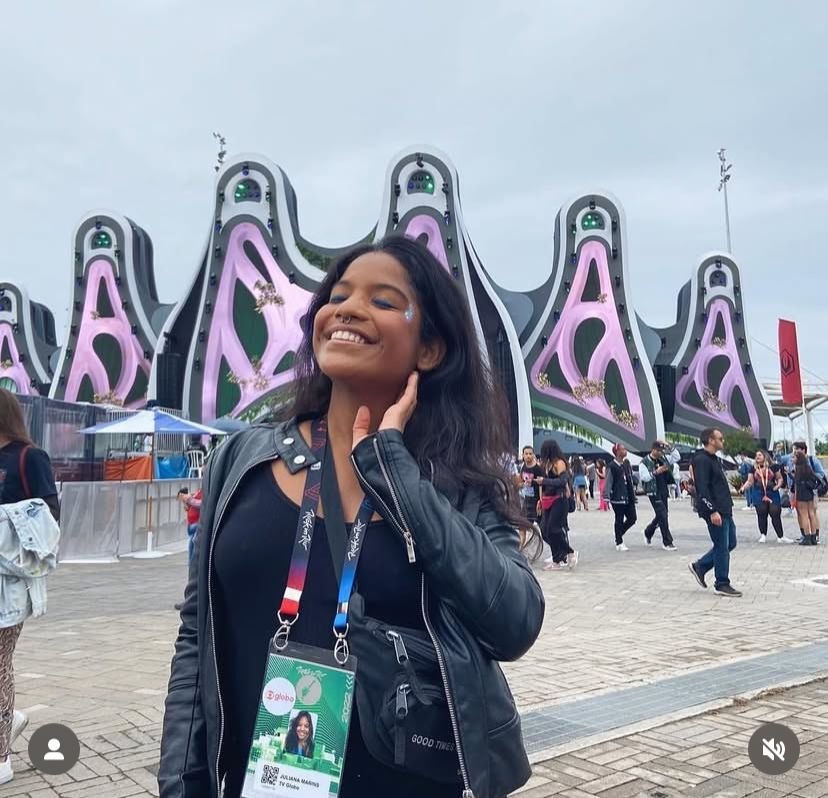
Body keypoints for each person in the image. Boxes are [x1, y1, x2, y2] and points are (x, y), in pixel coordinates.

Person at [158, 236, 544, 798]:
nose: (347, 310)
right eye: (337, 297)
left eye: (383, 301)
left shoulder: (454, 486)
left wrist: (394, 470)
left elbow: (515, 621)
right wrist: (181, 783)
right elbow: (197, 636)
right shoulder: (240, 462)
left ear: (429, 349)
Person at [0, 388, 60, 786]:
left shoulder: (29, 457)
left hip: (9, 582)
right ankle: (12, 718)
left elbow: (50, 516)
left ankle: (2, 758)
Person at [688, 428, 741, 597]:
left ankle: (700, 566)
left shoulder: (714, 459)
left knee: (730, 543)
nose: (722, 441)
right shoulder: (701, 460)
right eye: (720, 438)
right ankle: (722, 582)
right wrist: (712, 510)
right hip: (715, 509)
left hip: (725, 508)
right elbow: (702, 488)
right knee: (721, 546)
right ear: (711, 440)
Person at [536, 440, 577, 570]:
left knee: (554, 529)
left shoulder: (559, 463)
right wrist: (541, 499)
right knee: (546, 530)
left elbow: (562, 481)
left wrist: (545, 480)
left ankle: (570, 552)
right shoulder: (547, 464)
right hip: (549, 499)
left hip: (560, 499)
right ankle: (556, 560)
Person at [740, 450, 793, 544]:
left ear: (765, 456)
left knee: (775, 512)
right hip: (759, 492)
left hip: (772, 492)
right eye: (756, 455)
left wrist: (778, 486)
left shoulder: (773, 466)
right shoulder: (753, 468)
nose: (757, 457)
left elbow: (779, 478)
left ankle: (781, 536)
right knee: (761, 513)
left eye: (760, 455)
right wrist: (743, 488)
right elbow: (750, 481)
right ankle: (763, 535)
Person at [639, 440, 680, 550]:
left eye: (662, 451)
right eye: (659, 451)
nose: (661, 453)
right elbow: (644, 477)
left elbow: (677, 457)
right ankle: (667, 542)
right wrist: (656, 472)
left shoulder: (663, 458)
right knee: (662, 514)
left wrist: (669, 446)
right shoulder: (644, 462)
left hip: (663, 489)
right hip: (653, 491)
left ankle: (648, 532)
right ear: (653, 450)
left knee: (662, 515)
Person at [604, 444, 636, 551]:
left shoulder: (626, 464)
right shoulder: (612, 466)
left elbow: (629, 480)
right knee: (619, 519)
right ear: (617, 452)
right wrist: (606, 496)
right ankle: (619, 542)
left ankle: (619, 533)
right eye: (623, 449)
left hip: (628, 496)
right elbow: (608, 482)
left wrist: (633, 495)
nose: (625, 451)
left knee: (632, 518)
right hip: (617, 497)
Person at [518, 445, 544, 548]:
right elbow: (521, 481)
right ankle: (520, 548)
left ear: (533, 455)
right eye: (526, 454)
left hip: (536, 502)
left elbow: (541, 485)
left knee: (544, 529)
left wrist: (541, 501)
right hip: (526, 500)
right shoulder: (523, 467)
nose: (528, 456)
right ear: (523, 455)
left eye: (530, 453)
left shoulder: (538, 469)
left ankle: (557, 552)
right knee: (522, 526)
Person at [793, 450, 820, 546]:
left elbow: (796, 482)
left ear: (798, 459)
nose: (792, 459)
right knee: (812, 514)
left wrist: (790, 474)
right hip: (809, 492)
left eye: (794, 457)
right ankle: (814, 537)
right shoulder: (808, 468)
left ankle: (807, 537)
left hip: (802, 493)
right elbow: (815, 478)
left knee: (803, 515)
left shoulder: (798, 469)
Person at [177, 488, 202, 563]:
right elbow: (190, 506)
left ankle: (191, 562)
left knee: (193, 541)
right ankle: (191, 562)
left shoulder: (204, 493)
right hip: (192, 523)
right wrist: (186, 502)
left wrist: (189, 500)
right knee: (192, 540)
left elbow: (201, 504)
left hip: (196, 523)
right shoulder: (198, 492)